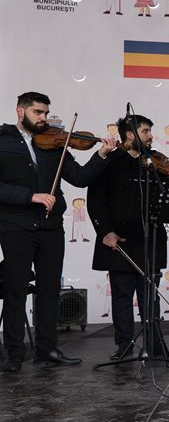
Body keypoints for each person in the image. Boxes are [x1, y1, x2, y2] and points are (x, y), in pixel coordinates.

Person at [0, 92, 116, 372]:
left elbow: (79, 178)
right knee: (15, 289)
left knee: (50, 289)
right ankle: (14, 354)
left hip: (51, 226)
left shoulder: (53, 143)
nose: (43, 118)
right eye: (37, 112)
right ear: (20, 111)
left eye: (45, 113)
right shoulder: (3, 141)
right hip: (16, 225)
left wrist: (101, 155)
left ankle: (47, 349)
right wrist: (31, 196)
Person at [88, 114, 169, 360]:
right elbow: (96, 200)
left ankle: (155, 343)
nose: (151, 136)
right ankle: (125, 344)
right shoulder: (110, 161)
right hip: (119, 238)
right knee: (121, 295)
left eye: (150, 131)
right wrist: (105, 231)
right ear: (130, 134)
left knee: (150, 294)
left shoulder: (153, 162)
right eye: (146, 131)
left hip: (149, 238)